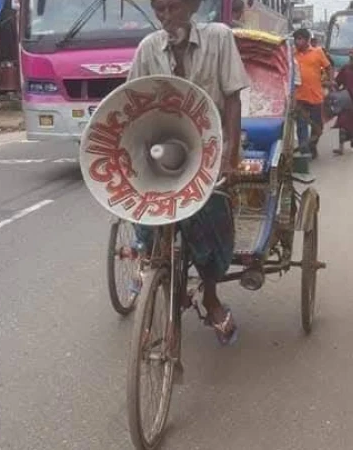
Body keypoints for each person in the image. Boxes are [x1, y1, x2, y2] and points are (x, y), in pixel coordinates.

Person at [128, 0, 251, 346]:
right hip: (163, 147)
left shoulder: (219, 38)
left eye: (172, 8)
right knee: (147, 214)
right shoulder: (148, 48)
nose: (166, 17)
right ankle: (154, 272)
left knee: (213, 221)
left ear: (191, 7)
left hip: (207, 148)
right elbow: (129, 104)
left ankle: (210, 296)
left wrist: (230, 156)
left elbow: (233, 99)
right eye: (159, 10)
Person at [292, 28, 332, 159]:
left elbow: (328, 67)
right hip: (299, 97)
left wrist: (330, 81)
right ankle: (304, 151)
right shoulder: (292, 54)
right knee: (301, 125)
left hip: (315, 96)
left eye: (300, 39)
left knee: (318, 126)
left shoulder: (318, 52)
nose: (297, 42)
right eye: (296, 39)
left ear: (307, 40)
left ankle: (312, 145)